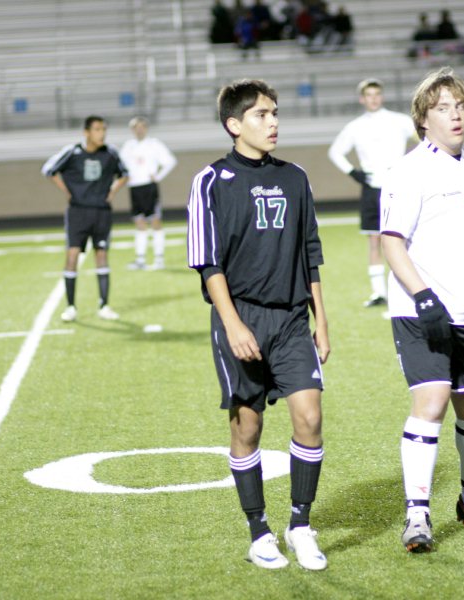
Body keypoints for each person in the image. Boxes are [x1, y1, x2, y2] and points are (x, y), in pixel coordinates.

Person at [187, 79, 330, 570]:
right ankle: (258, 531)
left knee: (309, 418)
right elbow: (209, 264)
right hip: (241, 318)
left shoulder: (295, 177)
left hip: (291, 319)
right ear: (234, 124)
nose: (273, 122)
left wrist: (322, 322)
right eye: (262, 115)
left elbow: (311, 253)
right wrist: (233, 325)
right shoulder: (210, 180)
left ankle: (301, 526)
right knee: (247, 429)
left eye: (275, 113)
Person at [379, 67, 464, 553]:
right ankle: (417, 514)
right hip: (422, 309)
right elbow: (391, 243)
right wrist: (422, 296)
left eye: (460, 106)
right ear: (423, 118)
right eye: (442, 108)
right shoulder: (408, 170)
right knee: (432, 401)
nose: (455, 115)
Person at [328, 78, 416, 308]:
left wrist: (413, 164)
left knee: (405, 238)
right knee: (374, 241)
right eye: (369, 95)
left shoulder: (400, 121)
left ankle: (413, 288)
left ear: (382, 96)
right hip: (371, 189)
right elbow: (335, 152)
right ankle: (379, 293)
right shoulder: (355, 126)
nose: (373, 98)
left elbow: (424, 139)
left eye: (377, 94)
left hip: (399, 186)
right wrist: (353, 172)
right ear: (362, 99)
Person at [42, 115, 127, 322]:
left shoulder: (110, 153)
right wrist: (67, 191)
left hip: (101, 212)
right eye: (97, 129)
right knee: (72, 256)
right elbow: (49, 170)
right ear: (86, 132)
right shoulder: (72, 152)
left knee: (101, 255)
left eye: (104, 129)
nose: (102, 134)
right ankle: (71, 307)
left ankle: (104, 305)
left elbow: (124, 173)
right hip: (78, 212)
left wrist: (113, 191)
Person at [119, 116, 177, 270]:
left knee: (155, 221)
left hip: (149, 187)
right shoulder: (128, 146)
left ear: (146, 128)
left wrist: (157, 176)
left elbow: (170, 161)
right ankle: (140, 259)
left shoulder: (154, 144)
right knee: (139, 223)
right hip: (134, 187)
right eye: (136, 127)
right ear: (132, 130)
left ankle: (159, 259)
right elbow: (121, 164)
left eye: (142, 127)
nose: (139, 130)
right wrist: (125, 176)